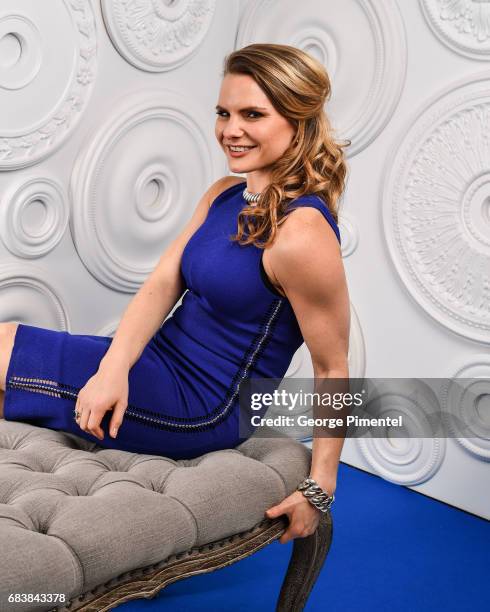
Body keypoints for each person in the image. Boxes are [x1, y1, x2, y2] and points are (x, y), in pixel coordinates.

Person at [0, 43, 350, 543]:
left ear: (298, 119)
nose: (231, 130)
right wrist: (114, 367)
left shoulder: (302, 235)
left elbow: (332, 367)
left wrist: (320, 487)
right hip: (157, 362)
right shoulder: (226, 193)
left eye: (253, 114)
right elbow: (163, 282)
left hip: (205, 406)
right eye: (224, 113)